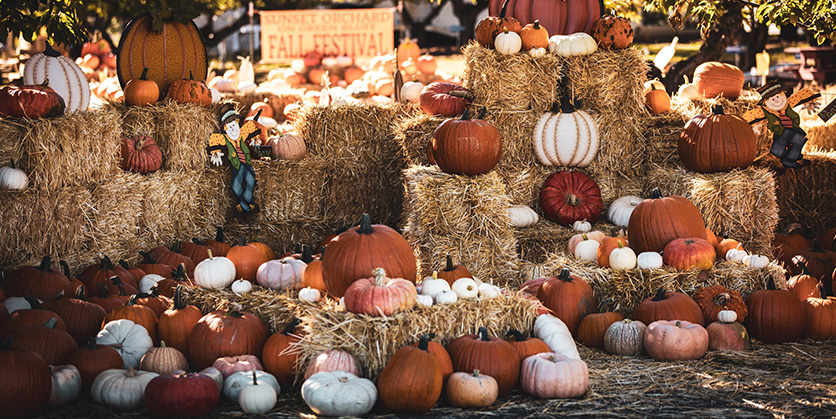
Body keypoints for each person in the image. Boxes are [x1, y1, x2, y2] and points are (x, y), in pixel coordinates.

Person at [742, 82, 820, 168]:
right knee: (785, 138)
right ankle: (785, 155)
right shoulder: (766, 111)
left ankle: (791, 157)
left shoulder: (788, 103)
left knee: (800, 139)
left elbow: (803, 93)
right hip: (781, 134)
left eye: (778, 96)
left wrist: (811, 101)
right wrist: (749, 125)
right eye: (772, 99)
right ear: (764, 103)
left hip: (794, 130)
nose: (776, 100)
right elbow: (750, 115)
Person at [207, 104, 261, 213]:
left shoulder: (241, 134)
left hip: (246, 164)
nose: (233, 129)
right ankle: (247, 205)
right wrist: (215, 153)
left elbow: (250, 125)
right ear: (225, 129)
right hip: (236, 166)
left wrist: (255, 138)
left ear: (237, 124)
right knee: (235, 186)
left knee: (251, 181)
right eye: (229, 127)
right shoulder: (226, 139)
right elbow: (214, 138)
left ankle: (244, 206)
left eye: (234, 125)